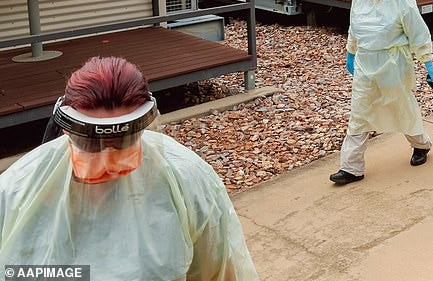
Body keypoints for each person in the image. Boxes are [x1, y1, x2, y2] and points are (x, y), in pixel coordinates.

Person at [0, 56, 259, 281]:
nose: (106, 160)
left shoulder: (185, 178)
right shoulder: (19, 189)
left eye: (120, 143)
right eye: (91, 143)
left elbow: (217, 270)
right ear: (67, 128)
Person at [330, 0, 433, 185]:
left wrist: (428, 63)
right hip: (365, 64)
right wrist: (350, 53)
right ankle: (351, 168)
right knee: (359, 114)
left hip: (394, 64)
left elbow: (418, 32)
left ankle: (421, 145)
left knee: (402, 108)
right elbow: (354, 29)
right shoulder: (359, 0)